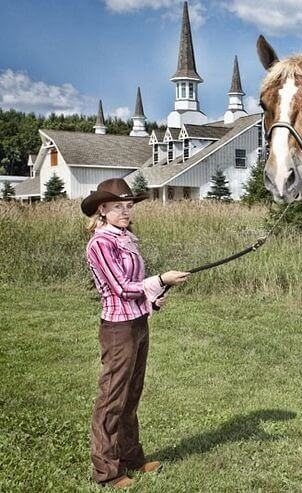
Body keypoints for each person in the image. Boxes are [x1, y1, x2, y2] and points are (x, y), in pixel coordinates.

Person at [81, 178, 189, 488]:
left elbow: (136, 288)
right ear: (103, 209)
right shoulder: (101, 243)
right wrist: (160, 279)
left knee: (132, 394)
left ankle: (131, 458)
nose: (126, 212)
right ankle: (106, 471)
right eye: (118, 207)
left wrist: (152, 299)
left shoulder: (127, 238)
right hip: (118, 329)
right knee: (112, 398)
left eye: (128, 206)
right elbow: (120, 288)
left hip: (138, 322)